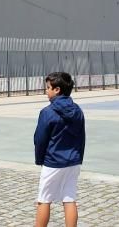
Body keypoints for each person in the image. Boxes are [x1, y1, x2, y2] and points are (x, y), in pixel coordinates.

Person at [33, 71, 85, 227]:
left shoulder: (47, 112)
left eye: (48, 87)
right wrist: (78, 157)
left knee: (44, 199)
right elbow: (81, 137)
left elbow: (40, 140)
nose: (46, 91)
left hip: (53, 162)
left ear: (57, 90)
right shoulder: (77, 111)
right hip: (73, 161)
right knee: (69, 198)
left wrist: (40, 159)